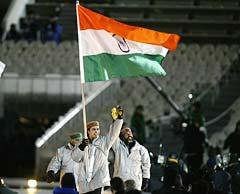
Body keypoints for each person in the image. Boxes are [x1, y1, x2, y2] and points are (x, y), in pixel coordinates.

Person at [71, 106, 123, 194]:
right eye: (94, 129)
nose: (96, 131)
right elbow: (75, 158)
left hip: (98, 180)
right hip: (84, 180)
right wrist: (82, 147)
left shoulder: (104, 142)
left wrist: (118, 119)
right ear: (88, 131)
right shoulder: (81, 143)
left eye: (98, 129)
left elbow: (114, 134)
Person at [111, 124, 151, 191]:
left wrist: (145, 179)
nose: (128, 133)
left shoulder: (141, 149)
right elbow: (113, 136)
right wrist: (117, 123)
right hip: (120, 183)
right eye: (125, 131)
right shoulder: (117, 147)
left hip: (135, 183)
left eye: (129, 131)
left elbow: (146, 165)